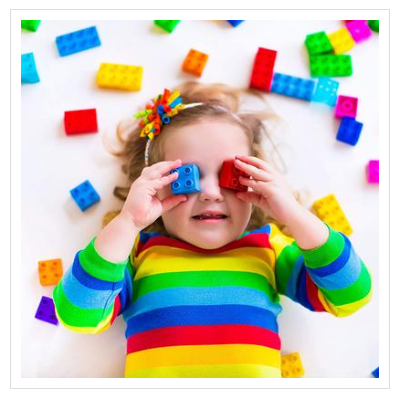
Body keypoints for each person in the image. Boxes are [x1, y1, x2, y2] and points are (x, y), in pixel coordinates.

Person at [53, 82, 372, 378]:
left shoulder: (268, 249)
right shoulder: (138, 254)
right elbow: (78, 314)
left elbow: (351, 294)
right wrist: (127, 223)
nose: (210, 192)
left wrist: (293, 214)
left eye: (230, 174)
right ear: (154, 186)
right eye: (187, 176)